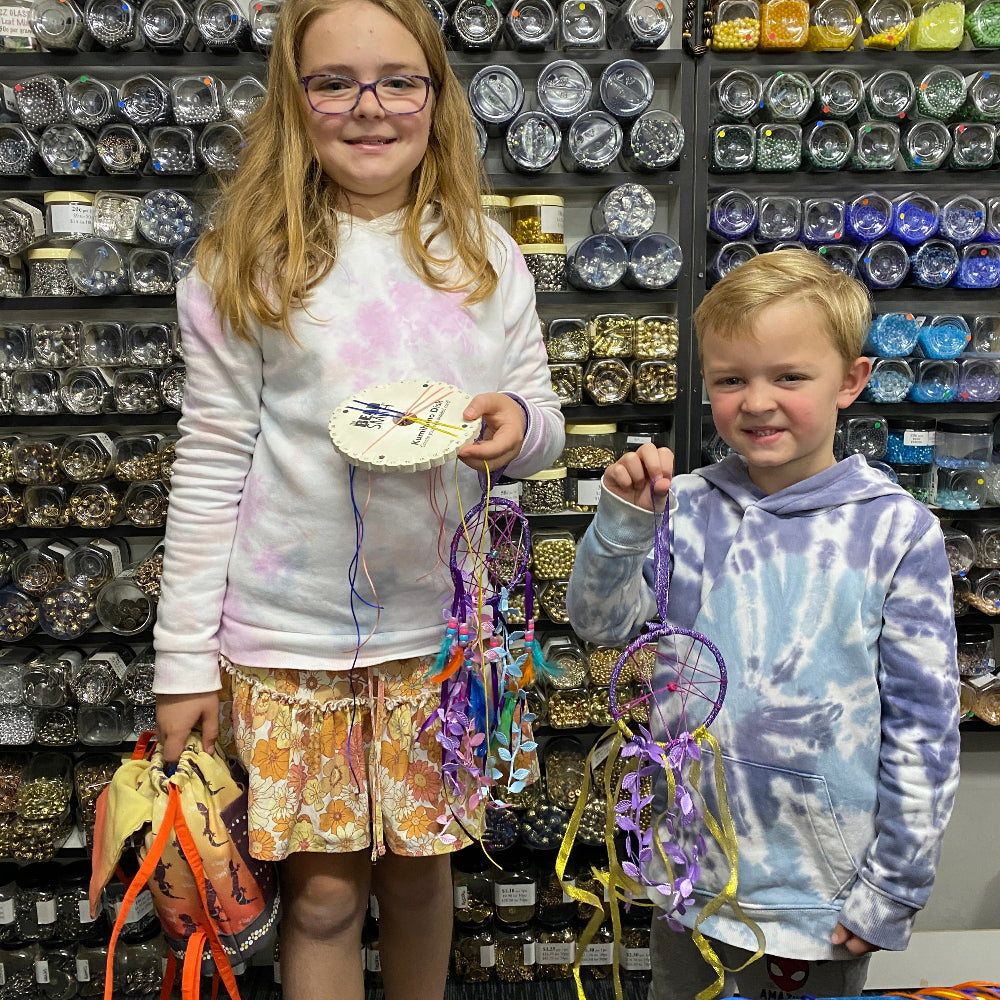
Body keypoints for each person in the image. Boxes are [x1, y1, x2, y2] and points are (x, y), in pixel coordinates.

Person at [151, 0, 564, 997]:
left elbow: (540, 418)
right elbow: (209, 465)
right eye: (333, 82)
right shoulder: (239, 264)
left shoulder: (481, 254)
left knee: (423, 880)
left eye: (397, 81)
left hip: (439, 634)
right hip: (288, 639)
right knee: (326, 896)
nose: (367, 107)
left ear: (435, 97)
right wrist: (179, 665)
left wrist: (514, 420)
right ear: (294, 103)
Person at [566, 250, 960, 999]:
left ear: (850, 381)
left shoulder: (896, 533)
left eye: (789, 377)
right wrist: (619, 523)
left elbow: (923, 729)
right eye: (729, 379)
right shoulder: (683, 506)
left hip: (819, 891)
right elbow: (601, 623)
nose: (756, 402)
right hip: (693, 868)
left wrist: (896, 888)